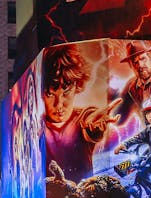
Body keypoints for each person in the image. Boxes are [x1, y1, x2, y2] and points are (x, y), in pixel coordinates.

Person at [42, 44, 121, 182]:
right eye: (50, 94)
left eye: (66, 92)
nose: (59, 104)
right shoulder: (34, 127)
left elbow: (90, 121)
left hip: (85, 197)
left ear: (77, 86)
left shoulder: (83, 118)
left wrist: (94, 127)